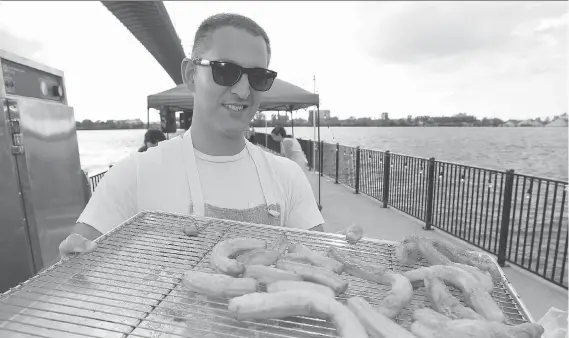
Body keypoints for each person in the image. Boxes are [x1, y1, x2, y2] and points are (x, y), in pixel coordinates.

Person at [59, 13, 325, 256]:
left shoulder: (288, 177)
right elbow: (81, 273)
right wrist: (74, 262)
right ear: (190, 74)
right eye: (225, 71)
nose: (244, 91)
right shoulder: (133, 176)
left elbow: (321, 267)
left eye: (258, 77)